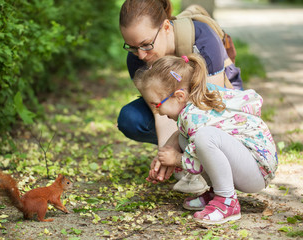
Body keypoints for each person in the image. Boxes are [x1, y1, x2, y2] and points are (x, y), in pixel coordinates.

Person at [133, 54, 278, 224]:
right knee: (184, 139)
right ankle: (217, 192)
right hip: (249, 164)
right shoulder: (196, 100)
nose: (157, 112)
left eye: (156, 105)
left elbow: (202, 159)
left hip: (256, 170)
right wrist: (171, 153)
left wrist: (177, 159)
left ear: (179, 96)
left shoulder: (193, 116)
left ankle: (227, 201)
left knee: (204, 137)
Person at [118, 0, 243, 189]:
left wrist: (177, 154)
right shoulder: (137, 58)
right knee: (131, 119)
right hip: (180, 106)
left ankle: (210, 158)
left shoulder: (202, 39)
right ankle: (191, 158)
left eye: (146, 45)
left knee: (204, 129)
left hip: (214, 103)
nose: (141, 55)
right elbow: (161, 111)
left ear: (166, 27)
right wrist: (167, 155)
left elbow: (210, 108)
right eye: (132, 47)